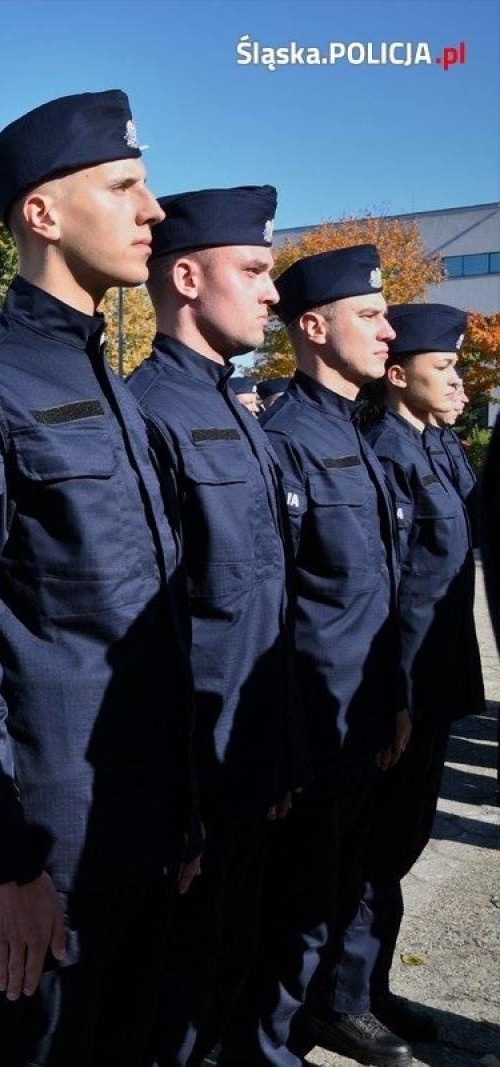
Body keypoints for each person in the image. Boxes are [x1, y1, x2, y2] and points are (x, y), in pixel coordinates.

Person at [0, 90, 194, 1067]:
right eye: (123, 186)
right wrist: (3, 854)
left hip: (145, 818)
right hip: (49, 841)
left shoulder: (118, 388)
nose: (152, 208)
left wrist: (183, 805)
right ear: (43, 213)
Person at [125, 185, 301, 1066]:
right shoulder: (148, 413)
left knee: (229, 972)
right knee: (172, 1001)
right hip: (193, 771)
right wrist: (182, 801)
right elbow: (145, 631)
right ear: (187, 277)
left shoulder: (239, 411)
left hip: (250, 755)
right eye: (256, 271)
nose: (273, 293)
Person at [223, 245, 409, 1067]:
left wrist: (396, 694)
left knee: (336, 891)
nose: (388, 331)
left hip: (363, 713)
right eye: (369, 316)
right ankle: (266, 1044)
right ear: (314, 327)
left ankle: (308, 1024)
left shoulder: (357, 433)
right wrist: (290, 737)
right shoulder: (289, 437)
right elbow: (277, 605)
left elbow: (378, 587)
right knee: (291, 900)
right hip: (312, 724)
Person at [319, 303, 481, 1050]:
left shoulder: (434, 445)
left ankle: (373, 987)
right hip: (402, 689)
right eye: (443, 367)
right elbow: (386, 589)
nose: (459, 382)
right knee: (374, 851)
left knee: (399, 848)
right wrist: (398, 696)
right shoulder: (386, 449)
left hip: (434, 685)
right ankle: (345, 997)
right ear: (396, 374)